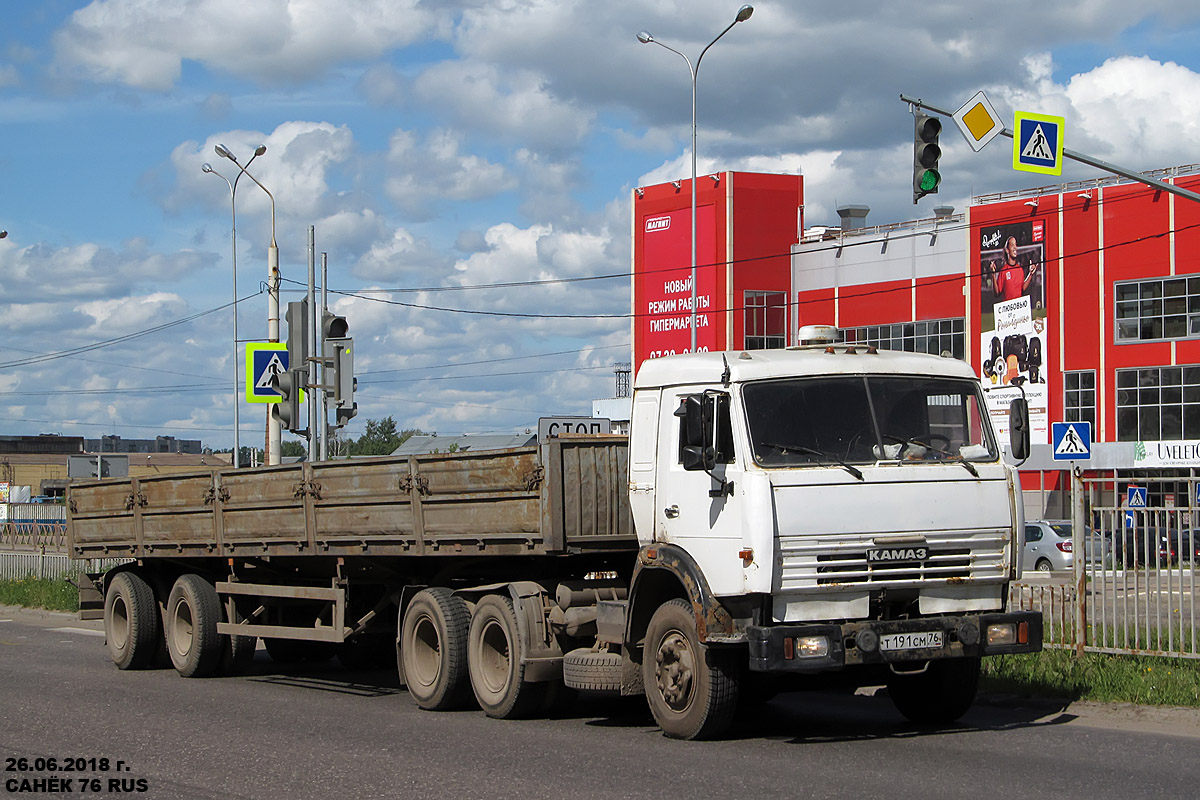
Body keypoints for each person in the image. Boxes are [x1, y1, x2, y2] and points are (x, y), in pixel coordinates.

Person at [989, 236, 1039, 302]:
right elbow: (997, 293)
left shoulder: (1020, 269)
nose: (1015, 247)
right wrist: (993, 275)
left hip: (1018, 309)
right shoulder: (1003, 271)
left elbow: (1022, 289)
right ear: (1007, 250)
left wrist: (1030, 274)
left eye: (1015, 244)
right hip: (1008, 310)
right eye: (1012, 245)